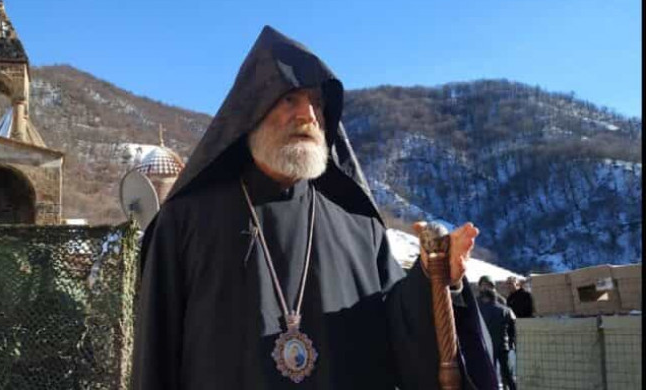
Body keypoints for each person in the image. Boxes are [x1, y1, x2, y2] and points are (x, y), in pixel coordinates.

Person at [130, 25, 498, 389]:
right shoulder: (184, 222)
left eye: (317, 103)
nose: (307, 115)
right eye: (289, 98)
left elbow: (400, 336)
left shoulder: (360, 227)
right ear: (253, 109)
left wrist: (434, 277)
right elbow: (155, 361)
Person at [477, 289, 517, 390]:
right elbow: (513, 328)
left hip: (488, 346)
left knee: (490, 372)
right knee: (507, 373)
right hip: (503, 345)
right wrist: (511, 342)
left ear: (486, 298)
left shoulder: (481, 310)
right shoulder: (506, 310)